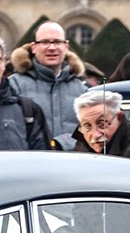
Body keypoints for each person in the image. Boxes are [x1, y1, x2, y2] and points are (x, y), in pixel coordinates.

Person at [9, 21, 88, 150]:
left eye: (57, 42)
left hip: (71, 163)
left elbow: (89, 130)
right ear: (33, 47)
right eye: (45, 42)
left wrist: (61, 144)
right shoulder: (14, 85)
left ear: (66, 46)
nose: (52, 48)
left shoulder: (81, 89)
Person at [71, 89, 130, 160]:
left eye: (102, 124)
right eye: (88, 126)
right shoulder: (81, 145)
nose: (95, 135)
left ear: (119, 118)